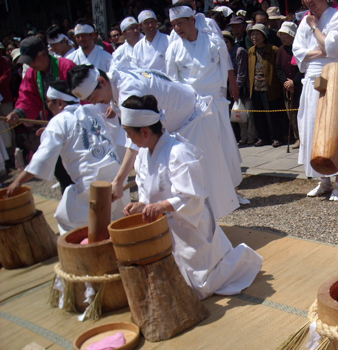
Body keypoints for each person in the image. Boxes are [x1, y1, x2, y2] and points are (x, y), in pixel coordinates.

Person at [120, 94, 262, 300]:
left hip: (189, 225)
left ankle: (244, 260)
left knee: (200, 288)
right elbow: (146, 189)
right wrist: (142, 205)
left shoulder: (179, 152)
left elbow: (193, 197)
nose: (128, 140)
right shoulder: (143, 155)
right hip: (165, 228)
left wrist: (161, 206)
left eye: (128, 133)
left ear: (144, 131)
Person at [67, 64, 241, 218]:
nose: (95, 102)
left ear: (102, 81)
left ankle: (206, 229)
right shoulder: (116, 78)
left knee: (196, 183)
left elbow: (135, 142)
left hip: (191, 121)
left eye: (92, 97)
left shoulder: (129, 91)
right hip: (174, 123)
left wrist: (118, 181)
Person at [6, 81, 129, 234]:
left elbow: (42, 158)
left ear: (60, 102)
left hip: (91, 184)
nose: (47, 105)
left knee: (69, 222)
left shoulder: (58, 121)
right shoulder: (94, 109)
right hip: (117, 177)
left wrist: (18, 182)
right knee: (120, 222)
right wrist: (49, 130)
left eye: (49, 102)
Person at [166, 3, 248, 205]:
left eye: (181, 23)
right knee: (197, 152)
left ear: (192, 20)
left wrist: (230, 86)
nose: (177, 28)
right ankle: (201, 194)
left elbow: (225, 66)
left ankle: (231, 191)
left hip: (215, 102)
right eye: (174, 24)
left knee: (224, 149)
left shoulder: (214, 42)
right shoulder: (173, 47)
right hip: (191, 110)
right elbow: (172, 83)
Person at [292, 0, 338, 201]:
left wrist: (315, 27)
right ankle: (323, 180)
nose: (309, 2)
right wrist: (321, 49)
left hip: (332, 76)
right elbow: (298, 50)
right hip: (311, 78)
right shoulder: (305, 19)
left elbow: (333, 47)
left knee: (334, 127)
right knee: (312, 126)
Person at [4, 36, 77, 193]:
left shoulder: (66, 66)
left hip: (73, 122)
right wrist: (19, 112)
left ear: (43, 54)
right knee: (59, 167)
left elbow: (80, 94)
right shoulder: (32, 73)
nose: (30, 65)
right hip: (50, 123)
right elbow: (27, 96)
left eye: (32, 60)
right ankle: (68, 194)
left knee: (74, 165)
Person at [248, 23, 284, 147]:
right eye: (252, 35)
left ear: (263, 36)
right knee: (258, 115)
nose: (254, 37)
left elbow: (278, 67)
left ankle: (276, 138)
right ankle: (262, 137)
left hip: (269, 87)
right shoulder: (251, 51)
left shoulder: (273, 49)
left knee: (272, 114)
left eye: (257, 34)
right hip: (256, 87)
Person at [223, 30, 257, 145]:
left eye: (226, 41)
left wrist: (236, 87)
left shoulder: (239, 51)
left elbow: (242, 72)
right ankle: (243, 137)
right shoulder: (222, 54)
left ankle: (251, 136)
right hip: (230, 89)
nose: (224, 43)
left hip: (244, 88)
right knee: (238, 115)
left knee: (249, 114)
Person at [276, 21, 301, 149]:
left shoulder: (298, 48)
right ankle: (297, 137)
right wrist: (286, 82)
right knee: (291, 115)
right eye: (282, 35)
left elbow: (302, 68)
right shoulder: (280, 50)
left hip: (299, 85)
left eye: (286, 34)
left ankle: (304, 136)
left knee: (301, 112)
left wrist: (294, 82)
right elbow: (278, 68)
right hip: (286, 87)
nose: (283, 37)